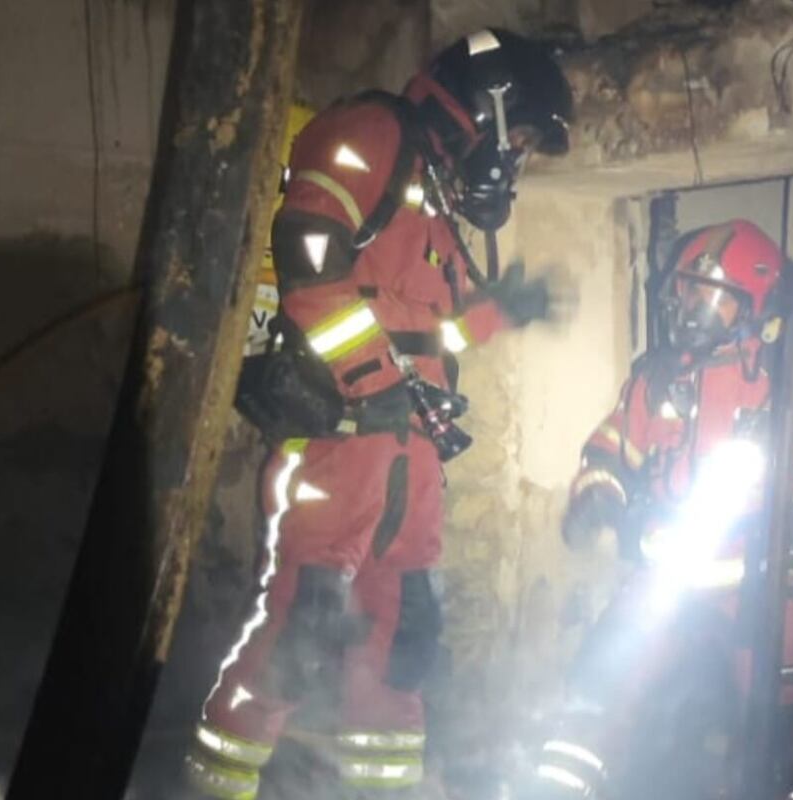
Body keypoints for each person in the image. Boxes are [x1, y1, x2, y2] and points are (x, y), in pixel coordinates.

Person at [186, 29, 573, 800]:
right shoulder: (373, 134)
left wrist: (500, 310)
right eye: (522, 138)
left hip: (410, 460)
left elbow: (435, 327)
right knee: (295, 641)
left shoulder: (430, 187)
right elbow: (309, 260)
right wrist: (370, 382)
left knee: (405, 653)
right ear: (492, 109)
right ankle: (208, 790)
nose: (516, 159)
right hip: (339, 444)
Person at [530, 219, 793, 799]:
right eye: (688, 291)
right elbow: (609, 447)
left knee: (754, 752)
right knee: (594, 702)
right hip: (660, 595)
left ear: (753, 302)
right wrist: (598, 492)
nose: (690, 308)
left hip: (757, 604)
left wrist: (792, 460)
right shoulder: (658, 380)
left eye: (710, 296)